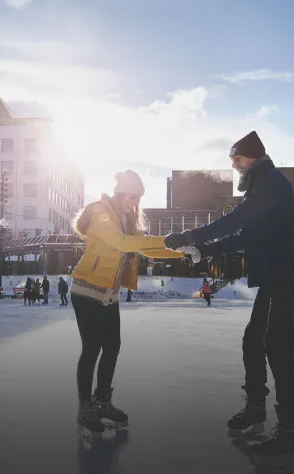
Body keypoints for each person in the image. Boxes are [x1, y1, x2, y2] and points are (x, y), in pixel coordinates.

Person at [164, 131, 294, 456]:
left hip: (290, 274)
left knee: (277, 345)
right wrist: (200, 250)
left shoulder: (272, 183)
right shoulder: (261, 188)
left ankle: (293, 430)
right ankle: (256, 410)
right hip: (278, 277)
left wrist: (190, 233)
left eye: (237, 158)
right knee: (253, 340)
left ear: (255, 157)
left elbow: (237, 221)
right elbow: (244, 237)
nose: (233, 165)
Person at [70, 170, 198, 434]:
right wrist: (166, 239)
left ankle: (103, 401)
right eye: (132, 197)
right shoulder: (100, 212)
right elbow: (123, 243)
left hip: (109, 294)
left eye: (138, 199)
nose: (134, 204)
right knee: (92, 348)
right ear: (120, 193)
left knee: (113, 346)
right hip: (86, 291)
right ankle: (85, 407)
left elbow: (143, 246)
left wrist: (179, 249)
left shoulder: (126, 220)